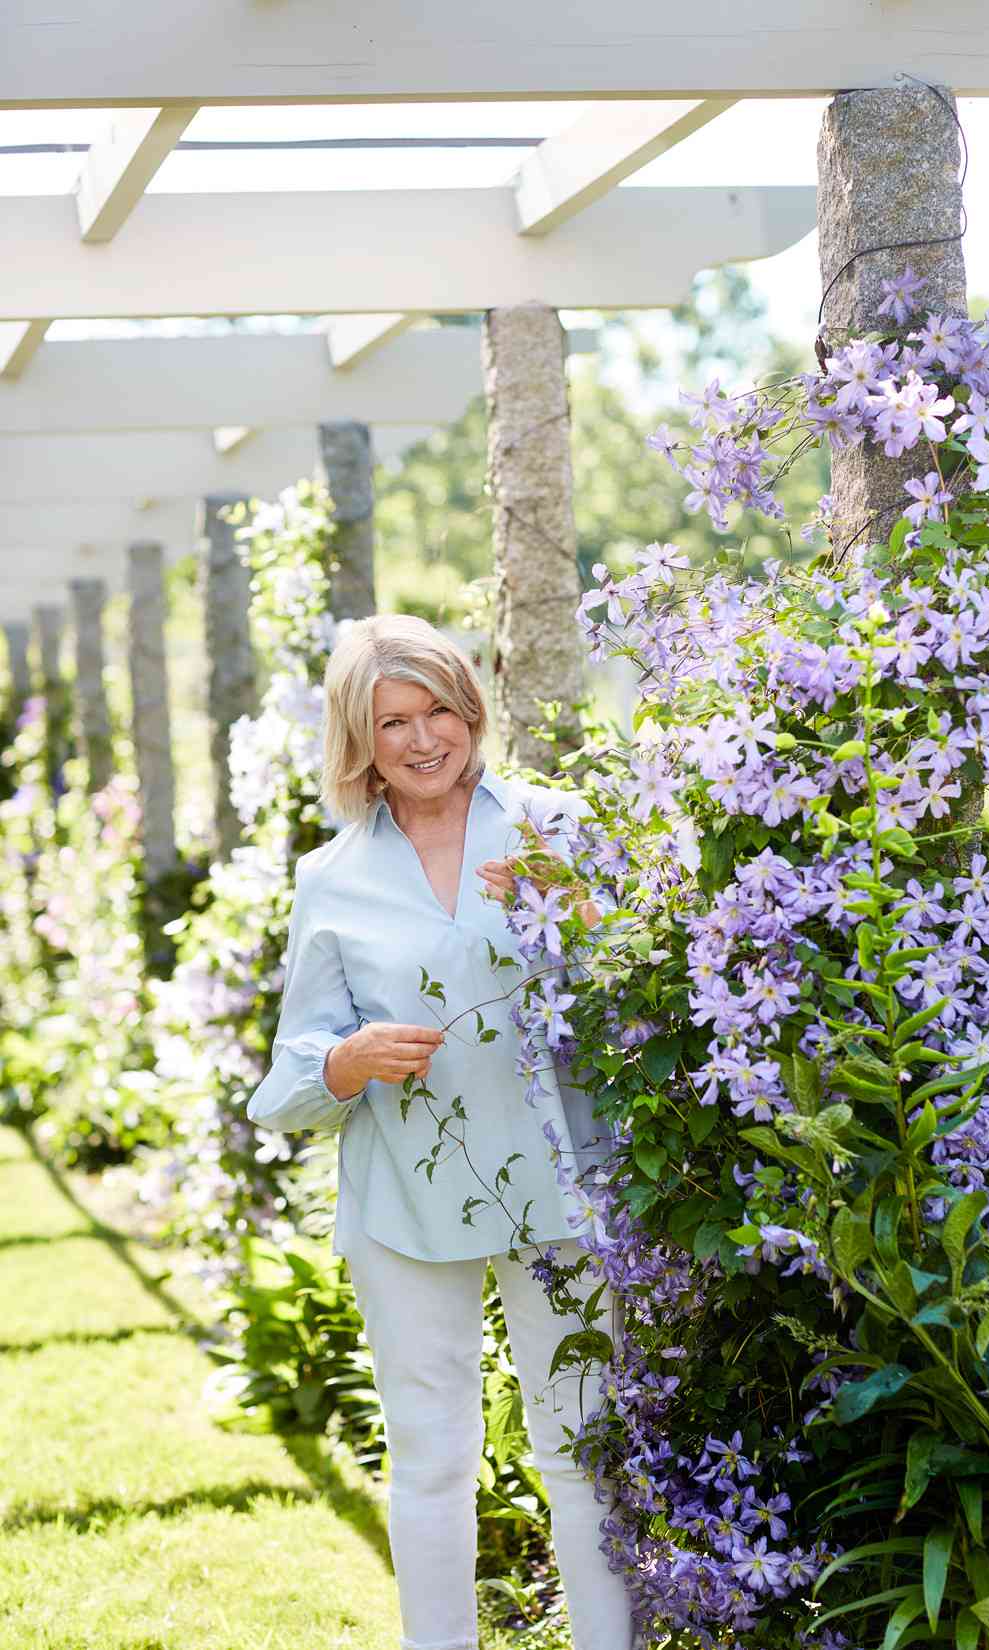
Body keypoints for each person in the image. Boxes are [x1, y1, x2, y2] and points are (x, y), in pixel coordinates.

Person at [246, 613, 636, 1650]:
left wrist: (584, 919)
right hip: (404, 1200)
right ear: (358, 743)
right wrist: (346, 1060)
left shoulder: (558, 822)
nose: (424, 740)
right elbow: (290, 1080)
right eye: (393, 722)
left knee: (581, 1449)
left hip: (564, 1179)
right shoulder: (329, 881)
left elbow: (652, 990)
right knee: (428, 1458)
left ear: (469, 711)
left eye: (438, 712)